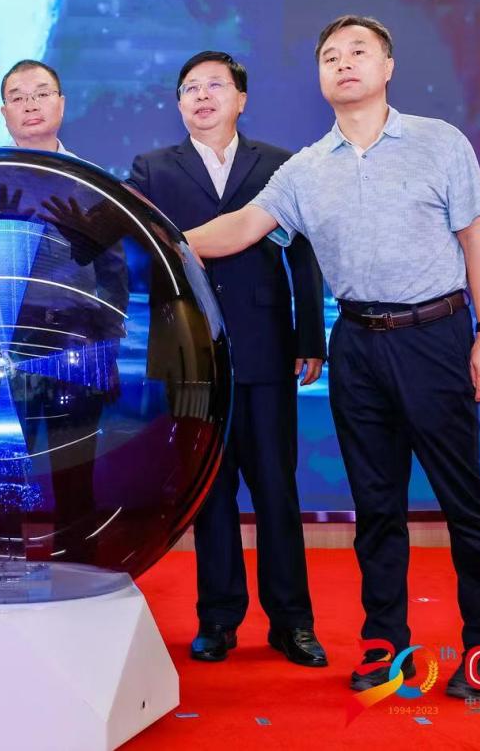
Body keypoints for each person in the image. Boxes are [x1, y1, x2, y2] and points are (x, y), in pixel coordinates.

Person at [183, 15, 480, 699]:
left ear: (387, 67)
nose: (343, 63)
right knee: (376, 506)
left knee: (463, 499)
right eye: (329, 55)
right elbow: (240, 228)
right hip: (356, 345)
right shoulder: (305, 168)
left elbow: (476, 238)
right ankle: (385, 646)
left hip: (435, 335)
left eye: (358, 51)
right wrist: (155, 235)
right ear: (319, 77)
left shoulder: (439, 142)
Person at [125, 51, 328, 667]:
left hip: (266, 346)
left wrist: (310, 336)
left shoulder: (279, 163)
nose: (202, 96)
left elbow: (303, 254)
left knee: (276, 489)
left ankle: (292, 622)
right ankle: (218, 619)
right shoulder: (152, 169)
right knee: (209, 493)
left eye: (215, 85)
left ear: (241, 98)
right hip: (189, 356)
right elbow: (137, 251)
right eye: (190, 88)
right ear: (179, 104)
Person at [0, 59, 128, 564]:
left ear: (61, 103)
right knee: (1, 468)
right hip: (4, 337)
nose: (30, 104)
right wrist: (1, 221)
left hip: (77, 339)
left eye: (41, 93)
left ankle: (80, 580)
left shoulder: (95, 180)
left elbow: (114, 270)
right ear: (4, 112)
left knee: (75, 470)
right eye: (18, 96)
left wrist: (107, 348)